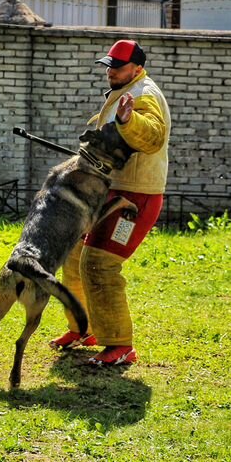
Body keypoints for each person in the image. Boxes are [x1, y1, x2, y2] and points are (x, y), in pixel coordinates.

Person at [49, 39, 171, 365]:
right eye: (109, 66)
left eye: (117, 67)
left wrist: (131, 121)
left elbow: (153, 134)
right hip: (111, 192)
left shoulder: (144, 95)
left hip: (134, 198)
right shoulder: (124, 91)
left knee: (99, 264)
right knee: (74, 257)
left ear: (137, 67)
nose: (110, 71)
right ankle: (83, 329)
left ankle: (120, 346)